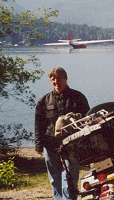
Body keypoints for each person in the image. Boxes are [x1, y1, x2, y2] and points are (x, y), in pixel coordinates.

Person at [35, 67, 90, 200]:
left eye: (59, 78)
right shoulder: (44, 100)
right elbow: (38, 124)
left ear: (65, 79)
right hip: (50, 144)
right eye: (53, 79)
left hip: (72, 144)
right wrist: (39, 145)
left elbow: (87, 119)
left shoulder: (78, 97)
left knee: (70, 175)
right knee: (54, 178)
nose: (56, 81)